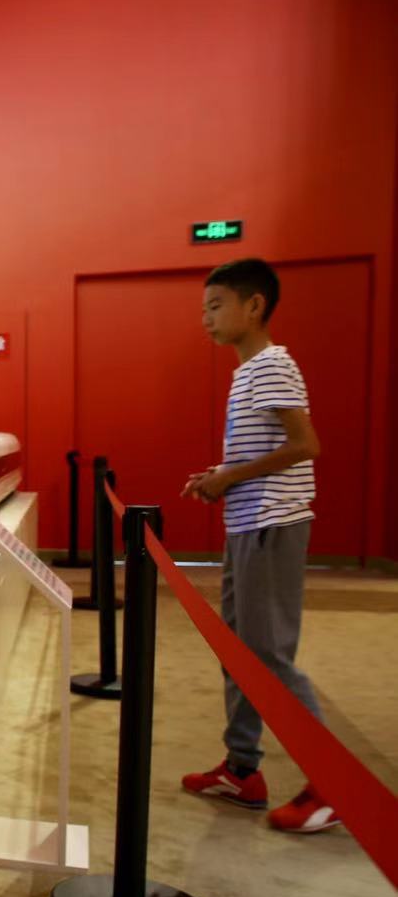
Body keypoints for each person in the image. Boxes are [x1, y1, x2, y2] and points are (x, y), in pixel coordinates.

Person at [178, 258, 339, 833]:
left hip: (272, 523)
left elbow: (305, 445)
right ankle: (242, 768)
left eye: (216, 305)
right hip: (248, 524)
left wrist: (231, 477)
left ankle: (331, 787)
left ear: (254, 306)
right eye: (204, 308)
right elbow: (265, 449)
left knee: (268, 656)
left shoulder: (271, 365)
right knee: (238, 651)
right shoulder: (248, 371)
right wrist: (221, 474)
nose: (206, 318)